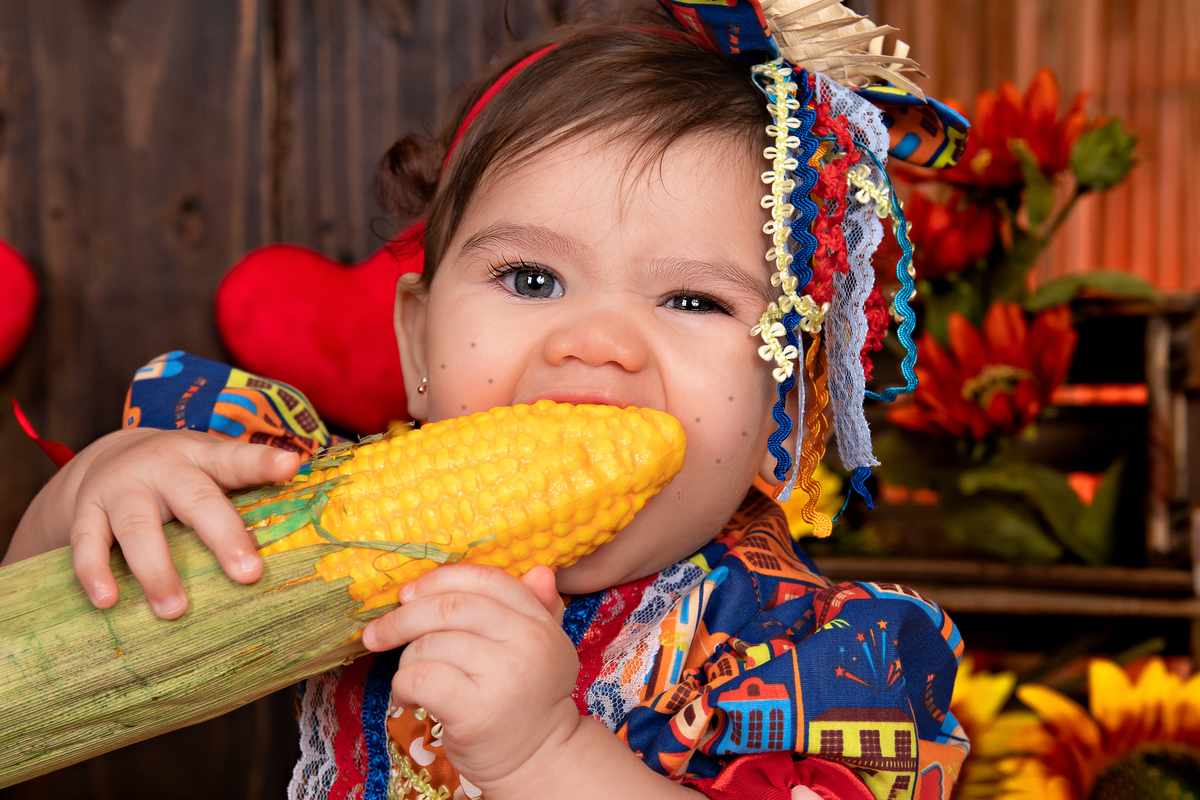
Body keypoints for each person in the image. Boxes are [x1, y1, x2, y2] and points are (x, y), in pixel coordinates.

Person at [4, 2, 971, 798]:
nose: (595, 341)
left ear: (783, 413)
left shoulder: (808, 656)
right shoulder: (304, 505)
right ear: (417, 343)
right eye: (531, 280)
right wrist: (89, 499)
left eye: (692, 300)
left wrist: (547, 756)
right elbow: (37, 666)